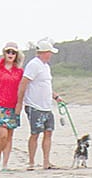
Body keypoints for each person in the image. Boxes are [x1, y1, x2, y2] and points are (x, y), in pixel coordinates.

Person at [18, 39, 61, 169]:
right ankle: (31, 162)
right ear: (43, 52)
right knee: (35, 133)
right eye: (49, 52)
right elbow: (24, 83)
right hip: (34, 105)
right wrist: (19, 102)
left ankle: (46, 162)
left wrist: (55, 96)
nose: (51, 55)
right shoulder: (34, 64)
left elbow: (45, 85)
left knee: (48, 132)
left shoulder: (46, 66)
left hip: (47, 106)